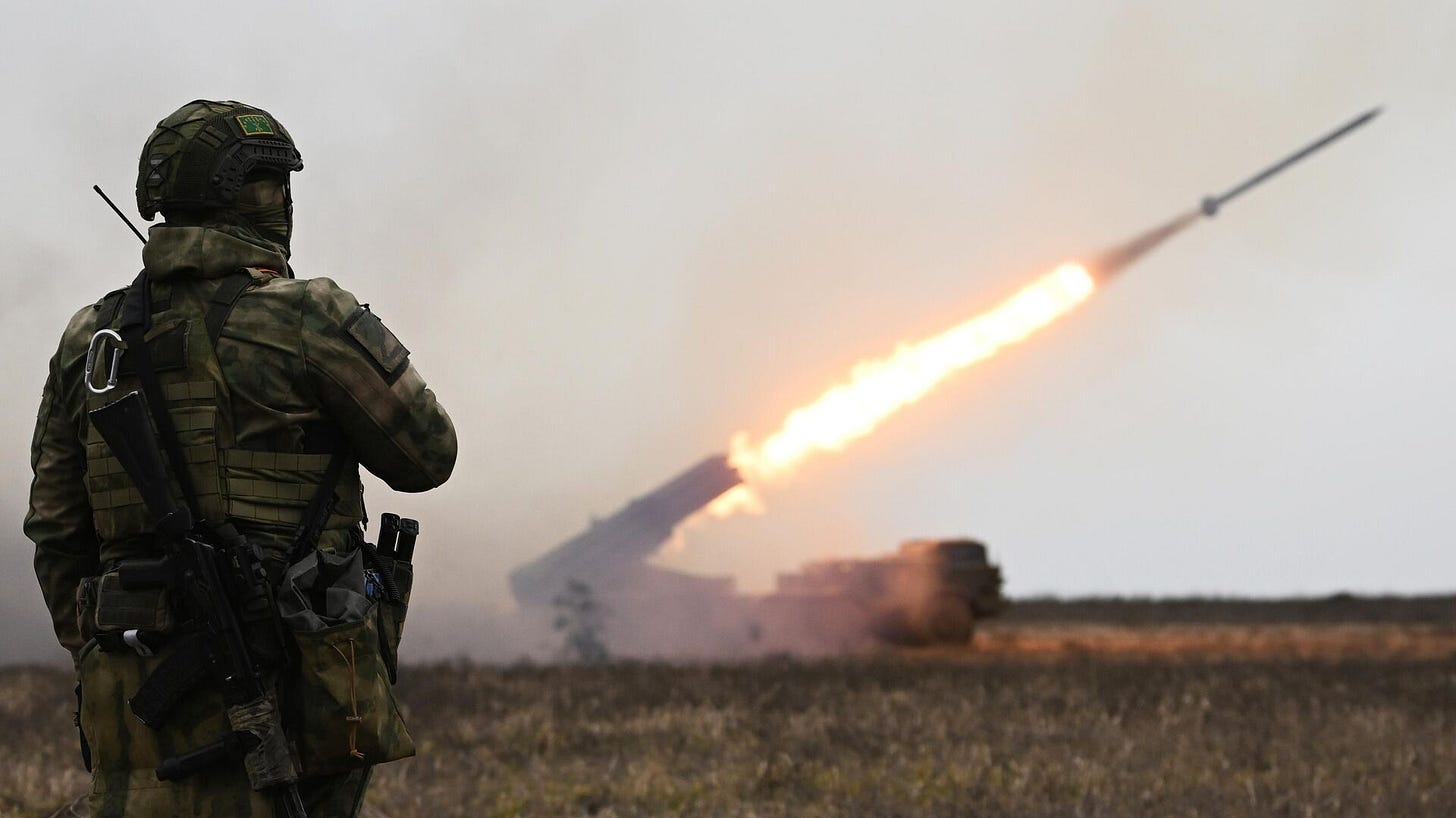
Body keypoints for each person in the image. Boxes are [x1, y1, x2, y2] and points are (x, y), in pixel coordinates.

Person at [25, 99, 457, 817]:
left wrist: (111, 646)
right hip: (293, 692)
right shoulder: (306, 315)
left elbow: (56, 535)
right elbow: (429, 455)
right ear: (263, 196)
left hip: (130, 703)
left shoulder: (91, 341)